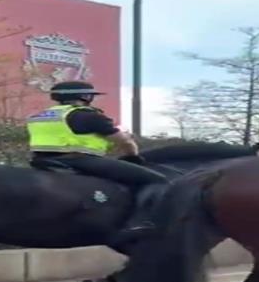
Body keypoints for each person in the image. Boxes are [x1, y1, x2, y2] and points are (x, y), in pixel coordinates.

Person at [27, 80, 168, 239]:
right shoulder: (88, 115)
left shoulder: (40, 116)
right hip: (79, 160)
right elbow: (125, 141)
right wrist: (132, 156)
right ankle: (139, 222)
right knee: (155, 179)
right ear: (84, 96)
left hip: (42, 161)